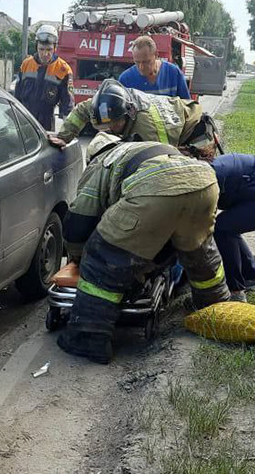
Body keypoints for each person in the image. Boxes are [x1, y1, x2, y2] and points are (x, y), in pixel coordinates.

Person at [57, 130, 231, 364]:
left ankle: (88, 337)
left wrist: (79, 257)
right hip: (205, 182)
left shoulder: (101, 162)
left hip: (158, 187)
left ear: (94, 153)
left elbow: (79, 221)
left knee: (101, 258)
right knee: (199, 251)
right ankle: (216, 308)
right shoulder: (142, 150)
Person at [181, 149, 255, 302]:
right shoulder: (208, 171)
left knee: (223, 228)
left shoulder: (211, 176)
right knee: (229, 226)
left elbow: (201, 221)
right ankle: (254, 276)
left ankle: (235, 291)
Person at [49, 79, 216, 159]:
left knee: (197, 181)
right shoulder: (109, 102)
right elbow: (79, 112)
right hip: (175, 126)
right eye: (106, 126)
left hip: (196, 132)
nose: (111, 130)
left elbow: (164, 160)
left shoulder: (147, 128)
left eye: (115, 125)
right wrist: (63, 137)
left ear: (128, 113)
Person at [14, 25, 74, 130]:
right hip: (24, 120)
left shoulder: (63, 69)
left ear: (55, 48)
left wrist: (67, 131)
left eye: (49, 49)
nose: (45, 54)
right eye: (41, 49)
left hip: (46, 124)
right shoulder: (26, 64)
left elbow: (67, 104)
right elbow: (17, 96)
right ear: (36, 46)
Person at [118, 35, 190, 99]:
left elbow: (187, 106)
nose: (141, 67)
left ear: (156, 54)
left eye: (146, 62)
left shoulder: (173, 73)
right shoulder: (125, 80)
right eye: (137, 62)